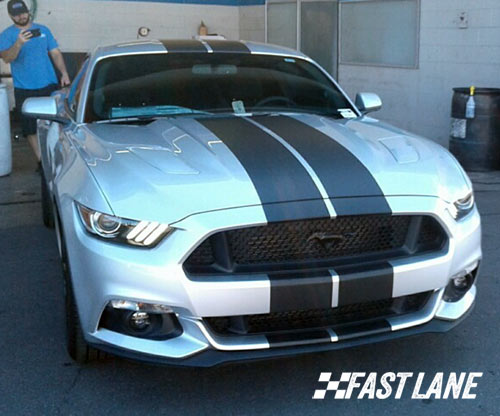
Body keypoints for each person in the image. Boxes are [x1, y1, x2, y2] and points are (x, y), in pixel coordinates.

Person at [0, 0, 70, 164]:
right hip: (24, 87)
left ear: (28, 11)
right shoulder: (6, 35)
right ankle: (41, 161)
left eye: (23, 12)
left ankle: (56, 157)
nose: (21, 17)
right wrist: (18, 43)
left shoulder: (43, 30)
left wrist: (64, 73)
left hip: (48, 83)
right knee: (29, 127)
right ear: (11, 16)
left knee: (55, 123)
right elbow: (7, 58)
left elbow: (55, 53)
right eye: (16, 15)